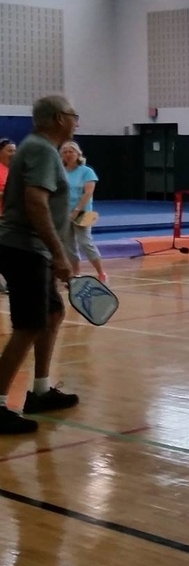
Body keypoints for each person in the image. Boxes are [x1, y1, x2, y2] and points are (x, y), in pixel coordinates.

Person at [0, 95, 81, 435]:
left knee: (51, 314)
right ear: (59, 118)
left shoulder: (38, 148)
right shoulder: (42, 149)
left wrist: (57, 252)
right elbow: (36, 202)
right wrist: (58, 252)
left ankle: (41, 390)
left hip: (37, 250)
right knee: (28, 325)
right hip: (25, 249)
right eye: (74, 115)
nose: (77, 120)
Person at [60, 141, 106, 282]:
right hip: (64, 212)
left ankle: (101, 272)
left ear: (78, 154)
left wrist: (77, 209)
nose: (68, 155)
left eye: (71, 152)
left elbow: (88, 193)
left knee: (85, 242)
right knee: (69, 245)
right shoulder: (61, 171)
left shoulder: (87, 171)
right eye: (65, 152)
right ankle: (76, 273)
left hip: (83, 212)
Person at [0, 138, 13, 294]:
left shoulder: (13, 170)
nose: (13, 154)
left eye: (15, 150)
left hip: (10, 217)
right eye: (10, 150)